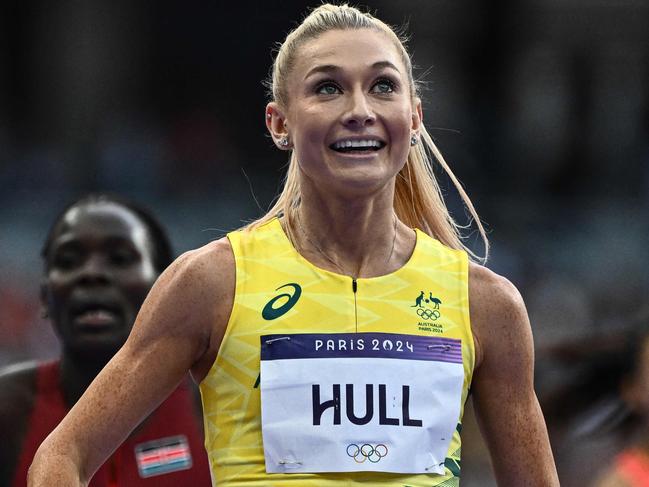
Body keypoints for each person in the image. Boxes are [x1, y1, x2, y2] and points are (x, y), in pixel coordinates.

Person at [28, 5, 558, 486]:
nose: (359, 109)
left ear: (414, 118)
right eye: (328, 88)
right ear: (280, 123)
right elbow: (61, 457)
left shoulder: (485, 304)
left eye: (382, 87)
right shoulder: (214, 284)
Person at [0, 194, 212, 486]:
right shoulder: (9, 410)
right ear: (44, 296)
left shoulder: (211, 404)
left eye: (120, 259)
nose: (92, 273)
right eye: (69, 260)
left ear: (165, 291)